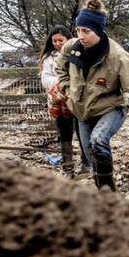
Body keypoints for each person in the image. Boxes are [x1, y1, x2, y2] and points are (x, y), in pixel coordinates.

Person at [56, 0, 129, 191]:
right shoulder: (72, 47)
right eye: (78, 30)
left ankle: (108, 193)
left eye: (86, 31)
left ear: (99, 31)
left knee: (98, 140)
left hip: (111, 109)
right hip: (82, 112)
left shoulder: (117, 57)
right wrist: (67, 87)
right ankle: (102, 193)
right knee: (92, 157)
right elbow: (61, 66)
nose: (80, 35)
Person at [38, 25, 89, 178]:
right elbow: (45, 78)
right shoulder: (49, 58)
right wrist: (62, 83)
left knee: (83, 132)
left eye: (61, 40)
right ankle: (68, 167)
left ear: (68, 39)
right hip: (59, 100)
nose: (57, 43)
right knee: (65, 134)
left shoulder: (78, 53)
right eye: (54, 41)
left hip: (78, 100)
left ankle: (86, 163)